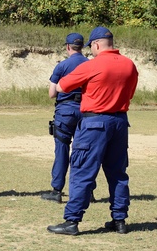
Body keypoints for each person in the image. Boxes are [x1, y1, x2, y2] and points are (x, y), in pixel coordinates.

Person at [48, 26, 139, 236]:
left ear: (96, 44)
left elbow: (61, 87)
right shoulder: (129, 65)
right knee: (117, 173)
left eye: (92, 47)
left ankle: (72, 220)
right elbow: (131, 92)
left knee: (82, 172)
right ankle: (119, 220)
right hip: (120, 122)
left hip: (94, 123)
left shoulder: (93, 64)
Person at [41, 33, 89, 203]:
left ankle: (57, 191)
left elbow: (52, 94)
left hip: (65, 112)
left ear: (68, 47)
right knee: (84, 152)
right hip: (86, 111)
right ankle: (86, 192)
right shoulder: (91, 64)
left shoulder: (62, 66)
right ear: (82, 47)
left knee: (61, 150)